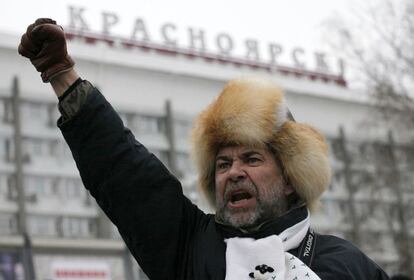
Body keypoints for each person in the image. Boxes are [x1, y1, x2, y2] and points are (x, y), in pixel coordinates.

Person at [18, 18, 390, 280]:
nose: (233, 172)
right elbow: (125, 172)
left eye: (252, 158)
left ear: (292, 177)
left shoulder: (349, 265)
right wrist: (62, 76)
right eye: (223, 163)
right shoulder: (191, 247)